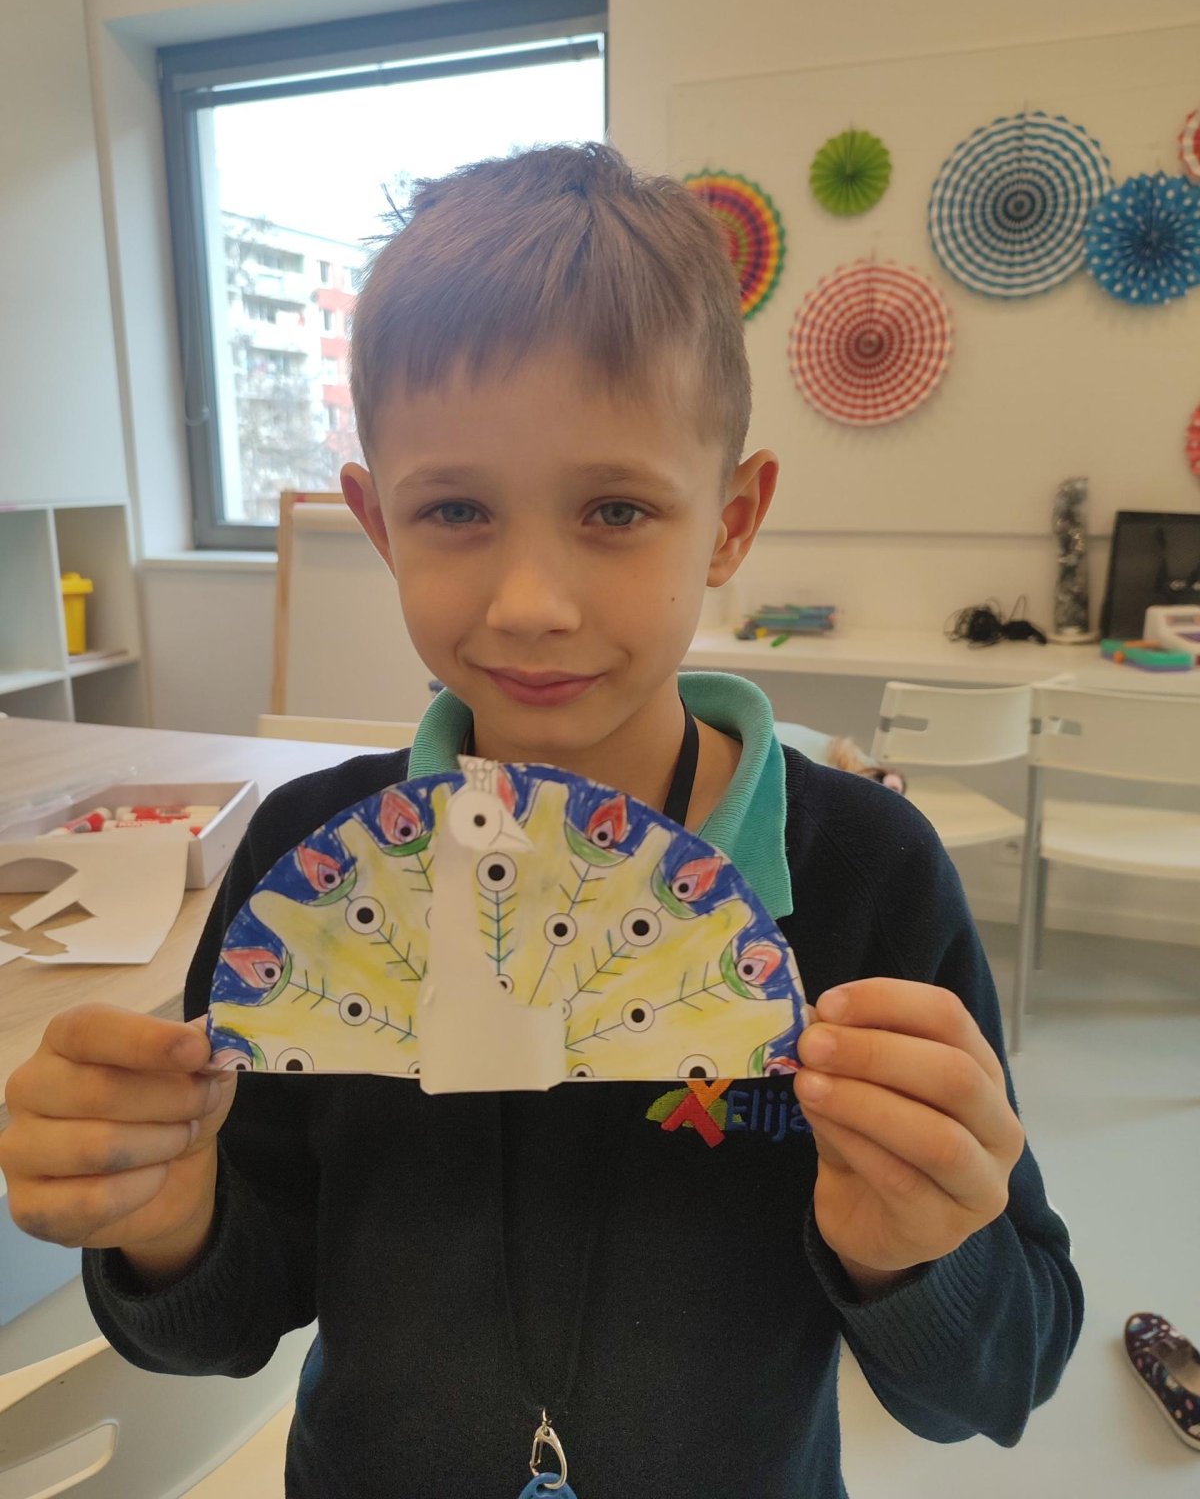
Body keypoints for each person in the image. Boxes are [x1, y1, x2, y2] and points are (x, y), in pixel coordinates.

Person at [0, 142, 1083, 1498]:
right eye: (455, 509)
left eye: (616, 509)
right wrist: (169, 1224)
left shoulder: (867, 875)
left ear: (731, 520)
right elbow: (221, 1324)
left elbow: (1002, 1374)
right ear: (377, 524)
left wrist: (914, 1254)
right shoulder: (305, 859)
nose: (530, 603)